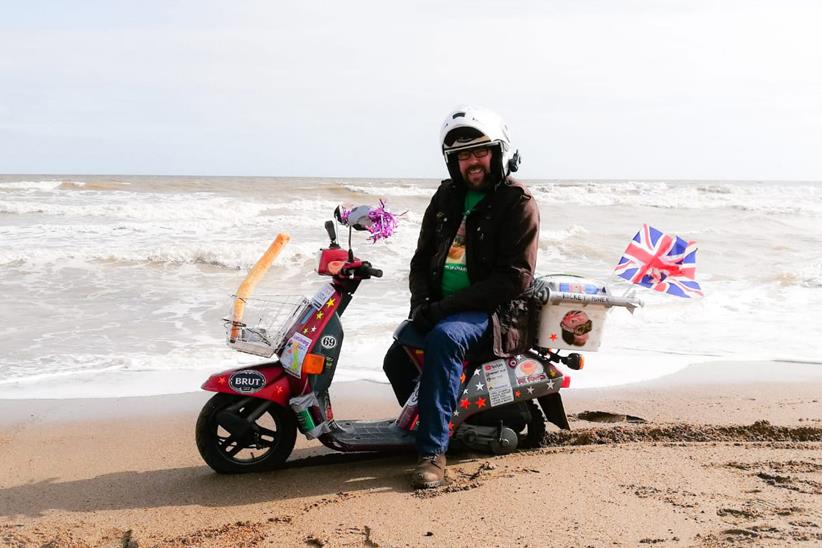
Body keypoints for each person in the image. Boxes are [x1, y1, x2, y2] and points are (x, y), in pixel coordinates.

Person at [399, 105, 540, 489]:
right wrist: (420, 304)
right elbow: (420, 259)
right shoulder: (446, 197)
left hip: (491, 313)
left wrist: (445, 309)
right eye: (462, 156)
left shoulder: (518, 202)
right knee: (398, 354)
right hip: (442, 308)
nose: (472, 162)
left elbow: (515, 279)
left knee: (445, 339)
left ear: (499, 153)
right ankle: (438, 423)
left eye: (479, 152)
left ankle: (432, 453)